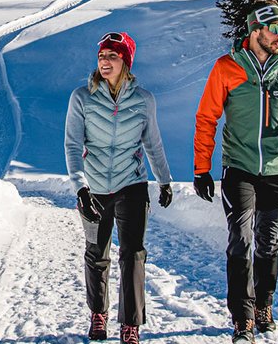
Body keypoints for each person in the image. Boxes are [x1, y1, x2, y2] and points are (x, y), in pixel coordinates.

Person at [191, 1, 278, 342]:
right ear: (256, 31)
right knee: (241, 239)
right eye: (276, 30)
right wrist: (201, 169)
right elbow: (207, 117)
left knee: (268, 241)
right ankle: (243, 318)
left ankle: (264, 305)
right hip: (239, 168)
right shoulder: (227, 68)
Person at [64, 31, 173, 343]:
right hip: (94, 186)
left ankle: (130, 324)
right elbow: (73, 145)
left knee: (133, 253)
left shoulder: (143, 100)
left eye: (112, 55)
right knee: (97, 253)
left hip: (132, 184)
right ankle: (98, 313)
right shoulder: (82, 97)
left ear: (126, 61)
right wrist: (80, 188)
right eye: (101, 56)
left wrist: (164, 180)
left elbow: (153, 143)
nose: (104, 61)